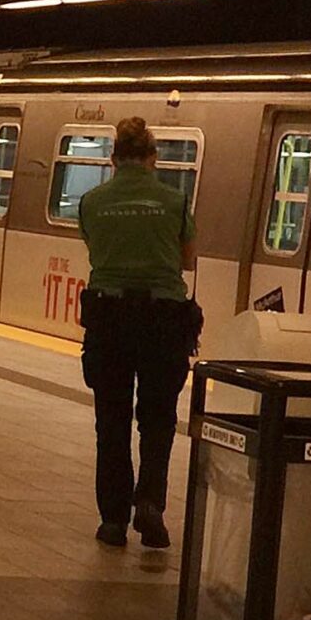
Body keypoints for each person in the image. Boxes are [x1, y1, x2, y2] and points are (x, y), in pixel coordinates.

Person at [77, 118, 201, 549]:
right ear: (153, 158)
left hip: (108, 318)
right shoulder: (174, 201)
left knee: (111, 421)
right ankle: (150, 505)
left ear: (113, 160)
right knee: (158, 419)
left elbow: (95, 249)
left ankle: (113, 520)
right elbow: (187, 260)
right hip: (163, 321)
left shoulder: (92, 202)